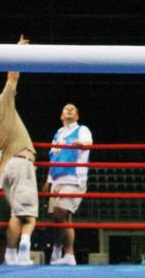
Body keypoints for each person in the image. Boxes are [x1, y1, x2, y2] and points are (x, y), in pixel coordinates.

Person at [0, 34, 37, 266]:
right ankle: (21, 252)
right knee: (27, 216)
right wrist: (18, 51)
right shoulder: (2, 104)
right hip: (20, 162)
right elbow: (12, 76)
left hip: (6, 168)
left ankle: (12, 256)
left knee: (17, 212)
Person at [44, 103, 92, 266]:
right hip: (57, 180)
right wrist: (48, 181)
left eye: (73, 109)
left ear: (77, 116)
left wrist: (82, 144)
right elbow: (53, 157)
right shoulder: (58, 133)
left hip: (73, 179)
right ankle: (67, 255)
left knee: (60, 213)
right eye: (65, 108)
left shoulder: (82, 129)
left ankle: (60, 250)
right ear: (61, 116)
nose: (69, 110)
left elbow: (88, 143)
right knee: (62, 219)